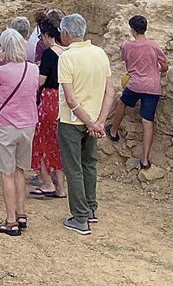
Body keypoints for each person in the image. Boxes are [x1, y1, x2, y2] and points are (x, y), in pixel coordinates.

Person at [55, 13, 114, 235]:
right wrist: (99, 122)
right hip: (93, 119)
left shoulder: (66, 57)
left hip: (72, 121)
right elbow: (110, 92)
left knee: (74, 168)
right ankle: (90, 207)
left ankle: (79, 217)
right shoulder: (100, 53)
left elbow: (70, 99)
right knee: (89, 163)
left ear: (65, 33)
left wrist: (90, 122)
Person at [0, 29, 38, 236]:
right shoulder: (33, 69)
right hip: (28, 124)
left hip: (7, 124)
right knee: (20, 170)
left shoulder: (1, 71)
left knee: (6, 173)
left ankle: (10, 220)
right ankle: (21, 212)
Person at [107, 15, 169, 169]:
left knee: (122, 102)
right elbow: (165, 65)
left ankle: (113, 131)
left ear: (132, 30)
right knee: (147, 121)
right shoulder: (154, 46)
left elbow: (127, 65)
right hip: (153, 87)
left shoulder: (127, 46)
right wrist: (160, 69)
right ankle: (145, 160)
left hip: (135, 85)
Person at [31, 19, 65, 198]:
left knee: (41, 140)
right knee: (57, 143)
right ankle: (61, 186)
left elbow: (41, 81)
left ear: (45, 35)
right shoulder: (66, 52)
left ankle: (47, 182)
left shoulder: (48, 54)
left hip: (49, 99)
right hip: (63, 98)